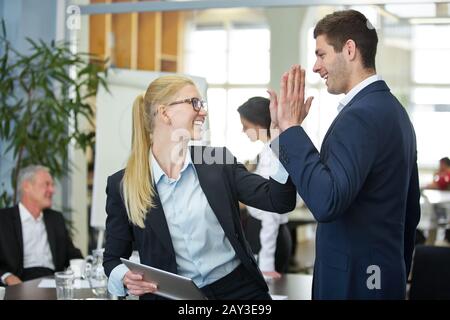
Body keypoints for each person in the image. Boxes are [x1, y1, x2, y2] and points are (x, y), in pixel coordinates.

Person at [267, 10, 420, 299]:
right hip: (382, 278)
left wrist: (291, 130)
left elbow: (326, 201)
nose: (315, 66)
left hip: (352, 284)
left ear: (349, 50)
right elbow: (410, 213)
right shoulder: (394, 112)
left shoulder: (360, 116)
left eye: (321, 55)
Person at [103, 75, 296, 300]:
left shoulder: (216, 159)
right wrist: (124, 277)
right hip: (174, 297)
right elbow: (113, 260)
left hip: (240, 292)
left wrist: (283, 140)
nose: (203, 112)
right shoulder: (123, 184)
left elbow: (278, 200)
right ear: (165, 113)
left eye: (202, 104)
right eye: (195, 103)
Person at [237, 96, 292, 278]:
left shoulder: (273, 155)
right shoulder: (268, 150)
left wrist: (267, 263)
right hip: (263, 233)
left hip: (269, 238)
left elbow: (271, 213)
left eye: (245, 126)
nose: (243, 131)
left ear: (258, 124)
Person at [0, 165, 83, 286]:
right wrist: (7, 277)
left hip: (53, 282)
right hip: (18, 282)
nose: (52, 190)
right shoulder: (3, 219)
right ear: (27, 186)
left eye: (52, 185)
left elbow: (73, 255)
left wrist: (79, 270)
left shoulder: (56, 219)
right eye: (46, 184)